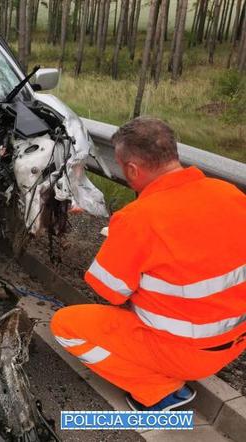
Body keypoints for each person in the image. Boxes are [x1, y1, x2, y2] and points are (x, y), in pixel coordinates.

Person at [50, 117, 246, 411]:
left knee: (65, 325)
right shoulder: (231, 195)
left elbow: (110, 292)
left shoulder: (138, 218)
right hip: (235, 343)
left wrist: (120, 243)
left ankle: (161, 392)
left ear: (130, 169)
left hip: (184, 353)